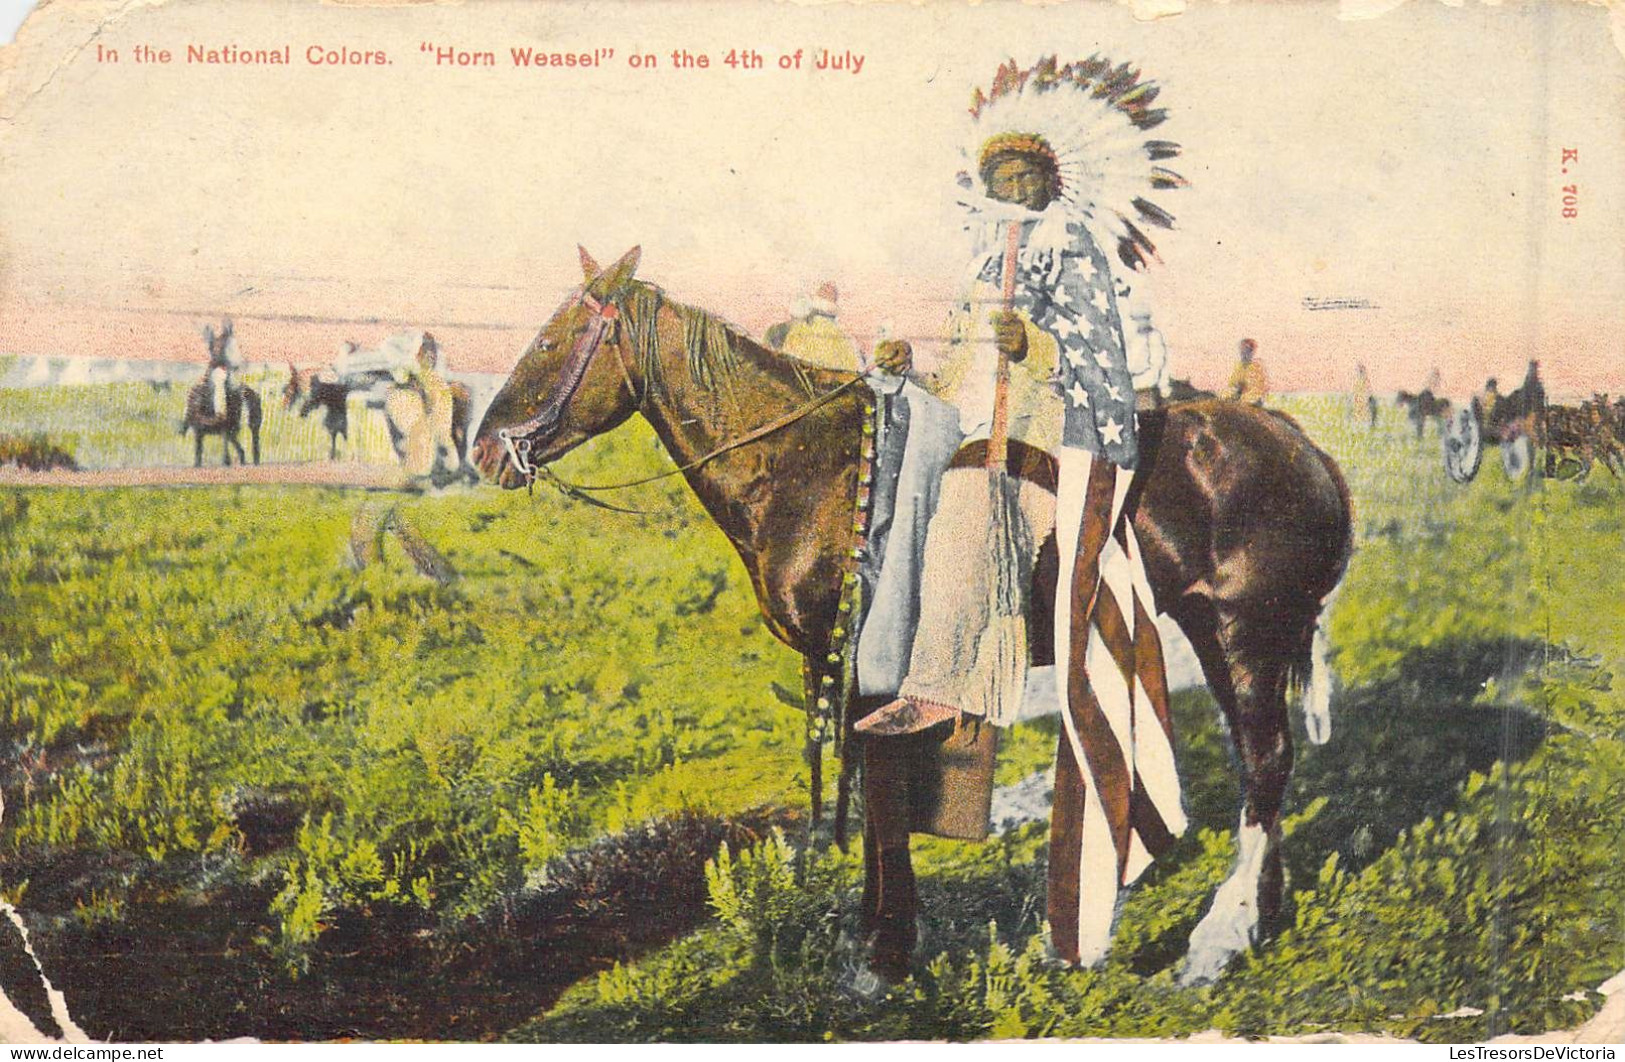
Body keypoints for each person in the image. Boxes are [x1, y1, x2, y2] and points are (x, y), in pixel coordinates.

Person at [856, 56, 1176, 742]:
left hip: (1056, 428)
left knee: (968, 512)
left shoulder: (1073, 247)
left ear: (1049, 183)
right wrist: (908, 368)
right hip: (982, 429)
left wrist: (1029, 342)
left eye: (1024, 175)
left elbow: (1096, 354)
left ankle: (939, 691)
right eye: (1000, 177)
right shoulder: (980, 266)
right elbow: (954, 374)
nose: (1011, 185)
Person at [762, 282, 861, 372]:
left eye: (828, 292)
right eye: (823, 291)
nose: (825, 292)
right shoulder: (801, 323)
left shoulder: (838, 336)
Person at [1228, 338, 1269, 405]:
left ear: (1252, 352)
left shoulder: (1257, 366)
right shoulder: (1239, 366)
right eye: (1242, 350)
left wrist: (1243, 388)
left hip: (1252, 400)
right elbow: (1232, 384)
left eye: (1247, 350)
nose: (1243, 353)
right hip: (1239, 399)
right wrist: (1236, 389)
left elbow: (1261, 388)